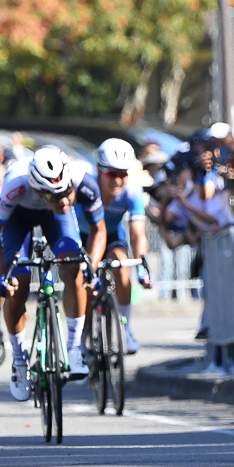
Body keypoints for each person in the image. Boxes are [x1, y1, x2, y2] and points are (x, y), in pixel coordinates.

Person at [0, 146, 106, 400]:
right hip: (17, 219)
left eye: (66, 191)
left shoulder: (83, 181)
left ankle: (74, 350)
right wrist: (2, 276)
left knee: (73, 265)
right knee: (16, 283)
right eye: (54, 195)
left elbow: (99, 229)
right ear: (39, 191)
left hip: (56, 221)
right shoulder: (15, 185)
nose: (64, 201)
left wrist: (92, 268)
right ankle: (20, 363)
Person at [78, 139, 153, 355]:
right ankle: (82, 333)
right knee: (85, 284)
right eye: (112, 174)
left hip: (111, 235)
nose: (118, 180)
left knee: (121, 267)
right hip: (84, 235)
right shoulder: (86, 187)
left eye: (123, 173)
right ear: (99, 171)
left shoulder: (132, 191)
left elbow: (138, 233)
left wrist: (141, 267)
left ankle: (125, 329)